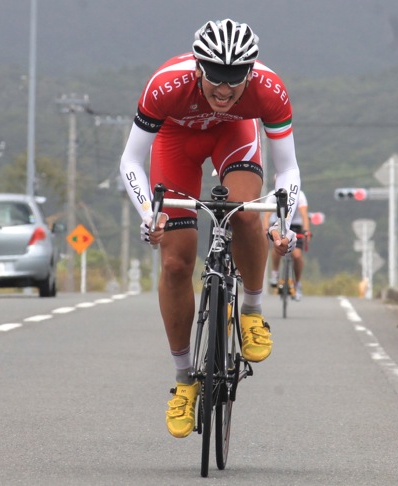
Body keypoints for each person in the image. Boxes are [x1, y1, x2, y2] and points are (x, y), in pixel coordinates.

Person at [119, 18, 301, 439]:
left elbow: (287, 168)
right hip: (175, 142)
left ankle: (252, 313)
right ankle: (185, 381)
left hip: (233, 137)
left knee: (242, 212)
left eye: (235, 80)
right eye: (216, 78)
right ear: (198, 67)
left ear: (250, 72)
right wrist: (150, 213)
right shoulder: (165, 85)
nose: (224, 90)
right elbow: (130, 161)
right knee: (177, 265)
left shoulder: (268, 89)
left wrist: (283, 222)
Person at [263, 188, 311, 301]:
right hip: (278, 224)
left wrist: (306, 231)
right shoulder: (273, 194)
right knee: (277, 245)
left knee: (297, 255)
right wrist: (265, 228)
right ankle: (275, 273)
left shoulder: (300, 194)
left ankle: (297, 284)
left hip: (295, 226)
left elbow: (304, 215)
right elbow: (266, 215)